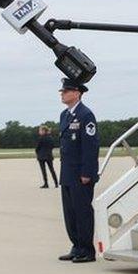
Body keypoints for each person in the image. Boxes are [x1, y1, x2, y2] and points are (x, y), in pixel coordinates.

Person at [57, 78, 99, 263]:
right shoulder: (64, 115)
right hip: (67, 173)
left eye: (66, 91)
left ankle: (87, 250)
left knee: (82, 212)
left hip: (81, 174)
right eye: (62, 91)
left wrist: (87, 173)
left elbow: (90, 147)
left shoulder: (86, 115)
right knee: (70, 213)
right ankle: (76, 246)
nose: (62, 94)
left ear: (77, 93)